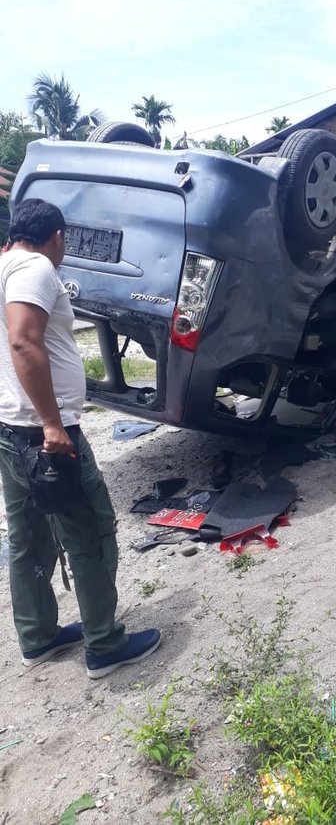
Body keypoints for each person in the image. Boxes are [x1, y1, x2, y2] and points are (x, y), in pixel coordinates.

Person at [0, 198, 161, 677]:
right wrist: (52, 423)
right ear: (56, 236)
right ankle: (105, 646)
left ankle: (39, 637)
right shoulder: (34, 267)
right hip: (43, 435)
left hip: (11, 429)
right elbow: (24, 341)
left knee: (28, 536)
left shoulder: (5, 266)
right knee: (90, 531)